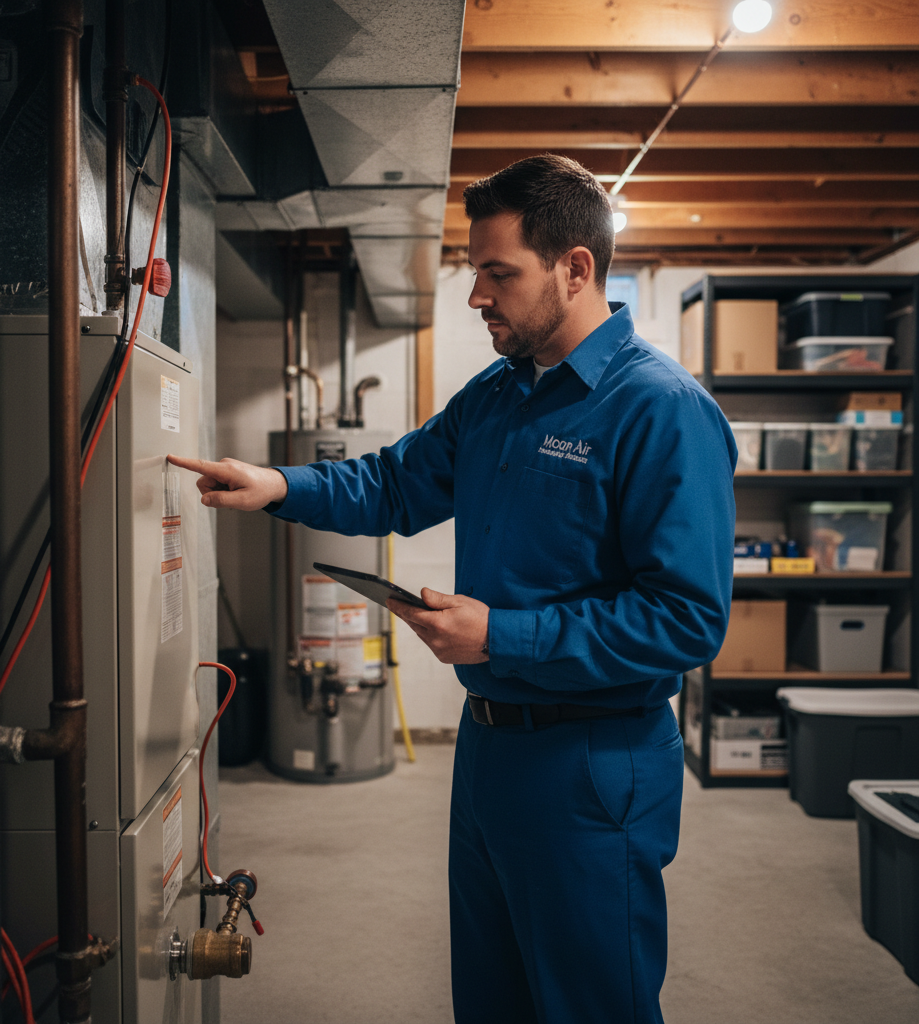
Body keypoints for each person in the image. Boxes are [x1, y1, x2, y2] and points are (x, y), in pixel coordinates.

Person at [169, 154, 736, 1024]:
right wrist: (278, 485)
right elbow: (395, 486)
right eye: (477, 272)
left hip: (590, 761)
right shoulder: (499, 396)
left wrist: (502, 636)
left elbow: (687, 620)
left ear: (575, 267)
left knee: (591, 1004)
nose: (477, 296)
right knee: (491, 999)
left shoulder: (661, 409)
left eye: (499, 273)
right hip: (489, 754)